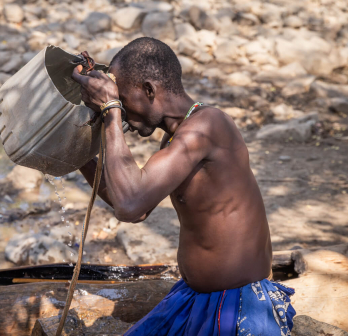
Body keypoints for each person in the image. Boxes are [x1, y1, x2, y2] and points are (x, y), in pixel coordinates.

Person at [72, 37, 295, 336]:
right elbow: (134, 205)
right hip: (195, 298)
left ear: (149, 90)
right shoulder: (176, 139)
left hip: (237, 304)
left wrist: (110, 109)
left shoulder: (208, 125)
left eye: (123, 99)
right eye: (119, 103)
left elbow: (130, 205)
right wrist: (77, 157)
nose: (122, 111)